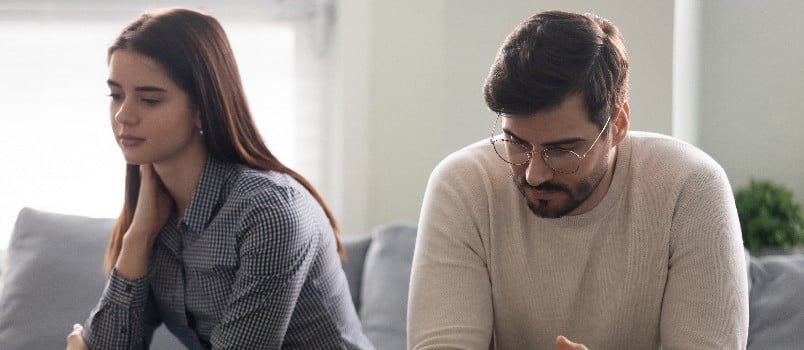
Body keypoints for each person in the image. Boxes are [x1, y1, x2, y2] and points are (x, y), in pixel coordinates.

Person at [407, 10, 748, 350]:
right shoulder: (464, 186)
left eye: (561, 149)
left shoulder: (691, 189)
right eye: (516, 142)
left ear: (618, 125)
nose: (534, 174)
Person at [64, 7, 373, 350]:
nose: (124, 115)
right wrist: (137, 238)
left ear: (202, 107)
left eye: (149, 100)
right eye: (116, 95)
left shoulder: (269, 212)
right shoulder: (155, 214)